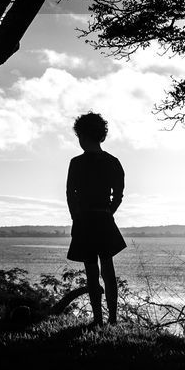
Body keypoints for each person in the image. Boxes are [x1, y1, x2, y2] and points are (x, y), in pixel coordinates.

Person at [66, 112, 126, 326]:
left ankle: (99, 320)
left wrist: (76, 218)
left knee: (92, 271)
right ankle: (111, 320)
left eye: (80, 136)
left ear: (84, 136)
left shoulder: (76, 163)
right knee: (107, 270)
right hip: (103, 219)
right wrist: (109, 212)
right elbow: (118, 195)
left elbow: (70, 195)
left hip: (85, 220)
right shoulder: (112, 162)